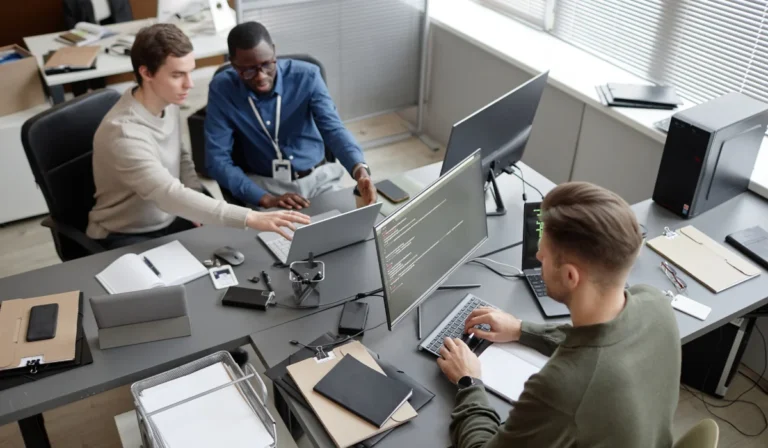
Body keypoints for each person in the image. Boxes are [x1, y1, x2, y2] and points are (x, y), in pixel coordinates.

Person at [437, 182, 681, 448]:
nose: (539, 255)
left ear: (569, 276)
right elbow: (596, 341)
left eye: (544, 254)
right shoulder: (655, 304)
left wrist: (469, 381)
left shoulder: (562, 388)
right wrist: (520, 329)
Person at [87, 24, 309, 250]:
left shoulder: (166, 102)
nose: (189, 84)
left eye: (190, 72)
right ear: (146, 73)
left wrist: (194, 194)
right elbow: (168, 194)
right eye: (177, 75)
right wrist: (251, 217)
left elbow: (180, 157)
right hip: (127, 233)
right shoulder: (124, 133)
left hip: (171, 217)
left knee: (239, 253)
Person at [204, 21, 377, 210]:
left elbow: (333, 129)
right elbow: (217, 160)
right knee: (276, 240)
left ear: (274, 52)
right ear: (234, 65)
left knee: (345, 230)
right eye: (248, 70)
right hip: (266, 187)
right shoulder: (222, 89)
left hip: (319, 180)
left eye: (266, 65)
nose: (261, 76)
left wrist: (360, 169)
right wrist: (265, 198)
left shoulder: (307, 76)